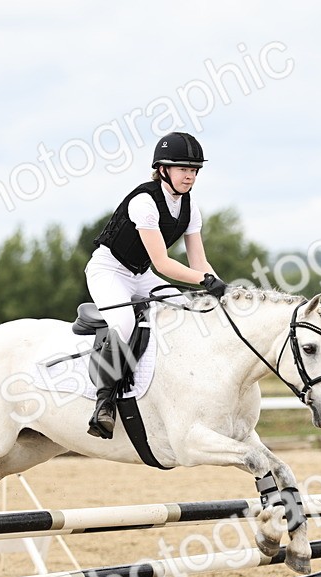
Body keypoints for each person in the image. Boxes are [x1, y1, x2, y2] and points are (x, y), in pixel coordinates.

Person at [83, 131, 228, 439]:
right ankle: (104, 404)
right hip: (109, 270)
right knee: (121, 322)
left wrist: (221, 290)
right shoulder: (144, 202)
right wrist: (204, 281)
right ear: (163, 169)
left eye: (194, 170)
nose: (190, 176)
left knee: (185, 311)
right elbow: (163, 263)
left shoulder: (190, 209)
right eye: (183, 169)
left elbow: (199, 264)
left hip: (141, 275)